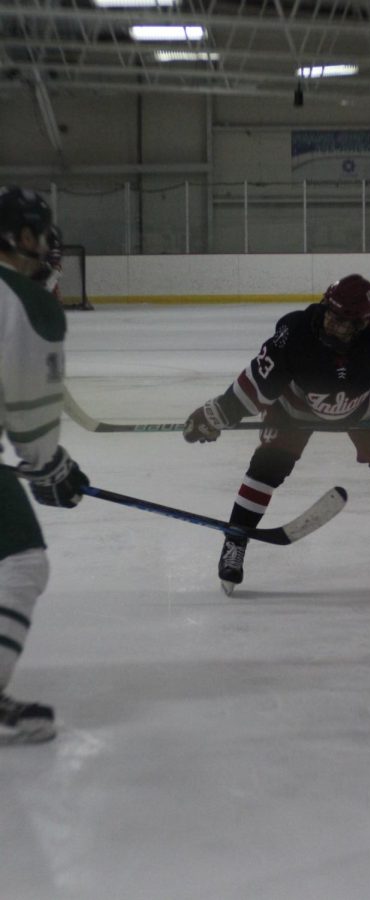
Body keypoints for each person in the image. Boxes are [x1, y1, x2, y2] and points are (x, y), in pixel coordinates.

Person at [183, 274, 370, 595]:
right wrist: (216, 415)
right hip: (294, 410)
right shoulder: (295, 333)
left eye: (346, 324)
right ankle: (236, 541)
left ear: (365, 325)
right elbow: (258, 381)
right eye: (331, 316)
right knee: (268, 466)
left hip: (364, 409)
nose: (334, 327)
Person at [0, 186, 89, 744]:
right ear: (24, 237)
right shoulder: (27, 303)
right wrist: (50, 468)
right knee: (22, 562)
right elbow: (31, 430)